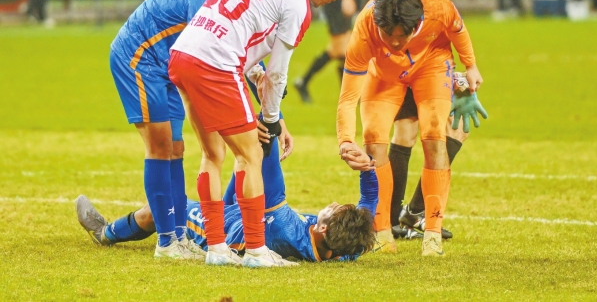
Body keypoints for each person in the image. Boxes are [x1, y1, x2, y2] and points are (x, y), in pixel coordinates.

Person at [168, 0, 368, 267]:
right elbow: (278, 73)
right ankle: (257, 251)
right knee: (250, 155)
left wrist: (255, 76)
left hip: (183, 53)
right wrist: (272, 119)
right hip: (216, 64)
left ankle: (217, 249)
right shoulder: (299, 5)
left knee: (212, 154)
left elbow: (241, 31)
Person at [75, 125, 378, 263]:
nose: (333, 204)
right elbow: (368, 207)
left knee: (162, 209)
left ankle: (106, 233)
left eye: (332, 210)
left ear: (322, 227)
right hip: (244, 213)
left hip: (222, 229)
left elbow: (269, 156)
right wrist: (368, 167)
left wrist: (273, 118)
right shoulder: (345, 249)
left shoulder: (287, 227)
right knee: (246, 160)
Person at [337, 0, 484, 257]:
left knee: (434, 136)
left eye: (401, 36)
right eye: (387, 34)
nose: (394, 42)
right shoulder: (365, 27)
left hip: (432, 65)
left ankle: (432, 235)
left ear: (417, 25)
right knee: (373, 138)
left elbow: (458, 30)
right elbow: (348, 97)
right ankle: (382, 233)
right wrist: (345, 140)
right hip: (383, 75)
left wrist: (470, 65)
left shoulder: (439, 8)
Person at [109, 0, 222, 260]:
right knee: (160, 146)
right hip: (139, 56)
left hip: (168, 63)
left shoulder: (230, 2)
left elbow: (248, 58)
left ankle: (179, 236)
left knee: (176, 147)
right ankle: (167, 241)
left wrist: (274, 115)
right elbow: (207, 53)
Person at [385, 0, 469, 240]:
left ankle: (393, 219)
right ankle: (415, 213)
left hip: (399, 51)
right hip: (420, 55)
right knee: (457, 126)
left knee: (405, 131)